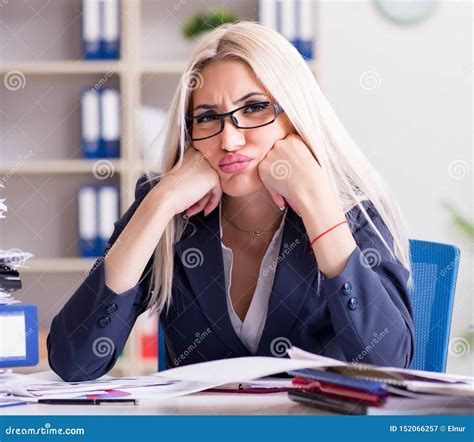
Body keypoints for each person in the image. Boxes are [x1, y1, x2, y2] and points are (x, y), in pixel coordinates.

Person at [47, 22, 414, 382]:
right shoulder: (172, 210)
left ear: (296, 117)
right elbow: (73, 360)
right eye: (207, 118)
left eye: (254, 108)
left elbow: (388, 364)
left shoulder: (352, 207)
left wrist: (318, 201)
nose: (230, 140)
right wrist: (160, 202)